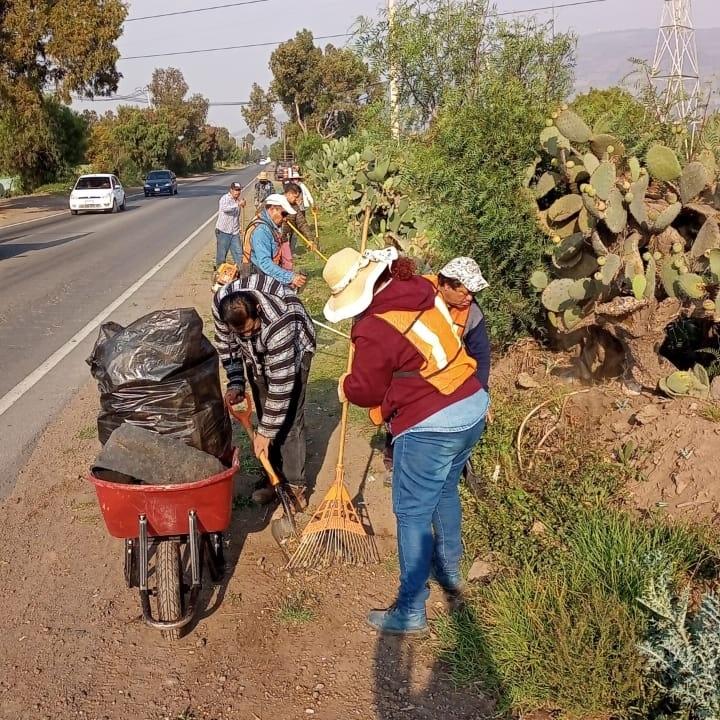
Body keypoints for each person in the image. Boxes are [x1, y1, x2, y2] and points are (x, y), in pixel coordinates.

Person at [322, 247, 489, 635]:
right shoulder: (416, 285)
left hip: (432, 422)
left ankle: (411, 610)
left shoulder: (374, 326)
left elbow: (367, 388)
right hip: (471, 405)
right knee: (446, 492)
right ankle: (449, 573)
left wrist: (346, 386)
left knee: (412, 515)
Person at [380, 256, 491, 473]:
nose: (470, 298)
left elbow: (481, 355)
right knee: (399, 414)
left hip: (446, 373)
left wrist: (482, 393)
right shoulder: (414, 296)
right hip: (409, 369)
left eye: (473, 293)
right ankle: (395, 456)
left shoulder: (472, 314)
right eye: (465, 292)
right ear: (444, 284)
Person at [213, 273, 316, 505]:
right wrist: (236, 381)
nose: (247, 336)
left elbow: (281, 386)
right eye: (241, 334)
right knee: (263, 409)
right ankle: (273, 475)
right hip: (259, 355)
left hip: (295, 349)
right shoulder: (220, 304)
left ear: (257, 309)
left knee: (288, 420)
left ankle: (293, 485)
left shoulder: (280, 320)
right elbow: (227, 346)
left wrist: (266, 432)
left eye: (251, 330)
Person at [241, 194, 307, 289]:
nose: (285, 219)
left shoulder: (267, 224)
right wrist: (290, 277)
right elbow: (265, 263)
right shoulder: (261, 230)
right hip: (257, 280)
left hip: (262, 277)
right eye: (283, 214)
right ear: (272, 209)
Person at [215, 181, 246, 269]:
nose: (237, 192)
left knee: (239, 254)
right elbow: (225, 209)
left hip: (234, 232)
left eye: (239, 190)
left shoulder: (239, 200)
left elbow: (236, 217)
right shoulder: (225, 198)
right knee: (221, 255)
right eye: (236, 190)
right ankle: (219, 274)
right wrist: (238, 205)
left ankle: (241, 273)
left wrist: (239, 228)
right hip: (223, 231)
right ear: (231, 190)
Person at [282, 181, 318, 252]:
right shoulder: (276, 203)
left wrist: (310, 239)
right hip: (273, 238)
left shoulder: (295, 207)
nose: (297, 200)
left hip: (287, 237)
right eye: (295, 197)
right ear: (288, 194)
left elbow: (302, 223)